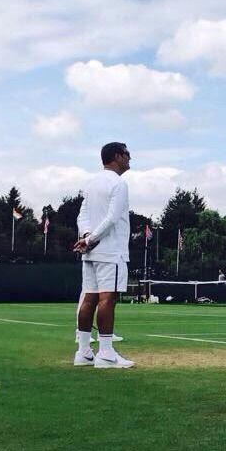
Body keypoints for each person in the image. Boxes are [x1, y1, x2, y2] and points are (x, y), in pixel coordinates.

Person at [72, 142, 134, 368]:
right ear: (117, 156)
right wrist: (90, 239)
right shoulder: (119, 183)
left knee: (89, 298)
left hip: (92, 251)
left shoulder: (91, 183)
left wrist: (88, 237)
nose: (130, 158)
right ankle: (106, 354)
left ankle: (84, 352)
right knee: (107, 299)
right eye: (127, 154)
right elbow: (112, 217)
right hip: (110, 250)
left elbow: (83, 216)